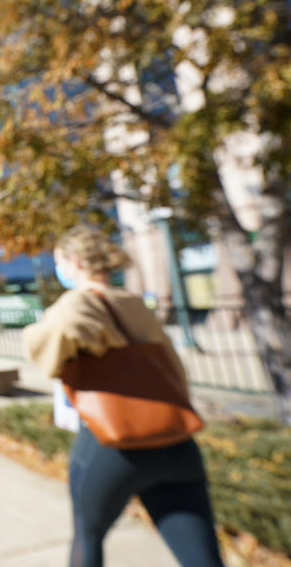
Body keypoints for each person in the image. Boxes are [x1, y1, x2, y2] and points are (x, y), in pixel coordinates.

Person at [23, 226, 223, 567]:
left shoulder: (80, 301)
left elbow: (48, 343)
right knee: (201, 558)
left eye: (59, 262)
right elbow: (173, 366)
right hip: (175, 440)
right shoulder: (132, 301)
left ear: (73, 261)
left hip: (113, 447)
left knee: (88, 536)